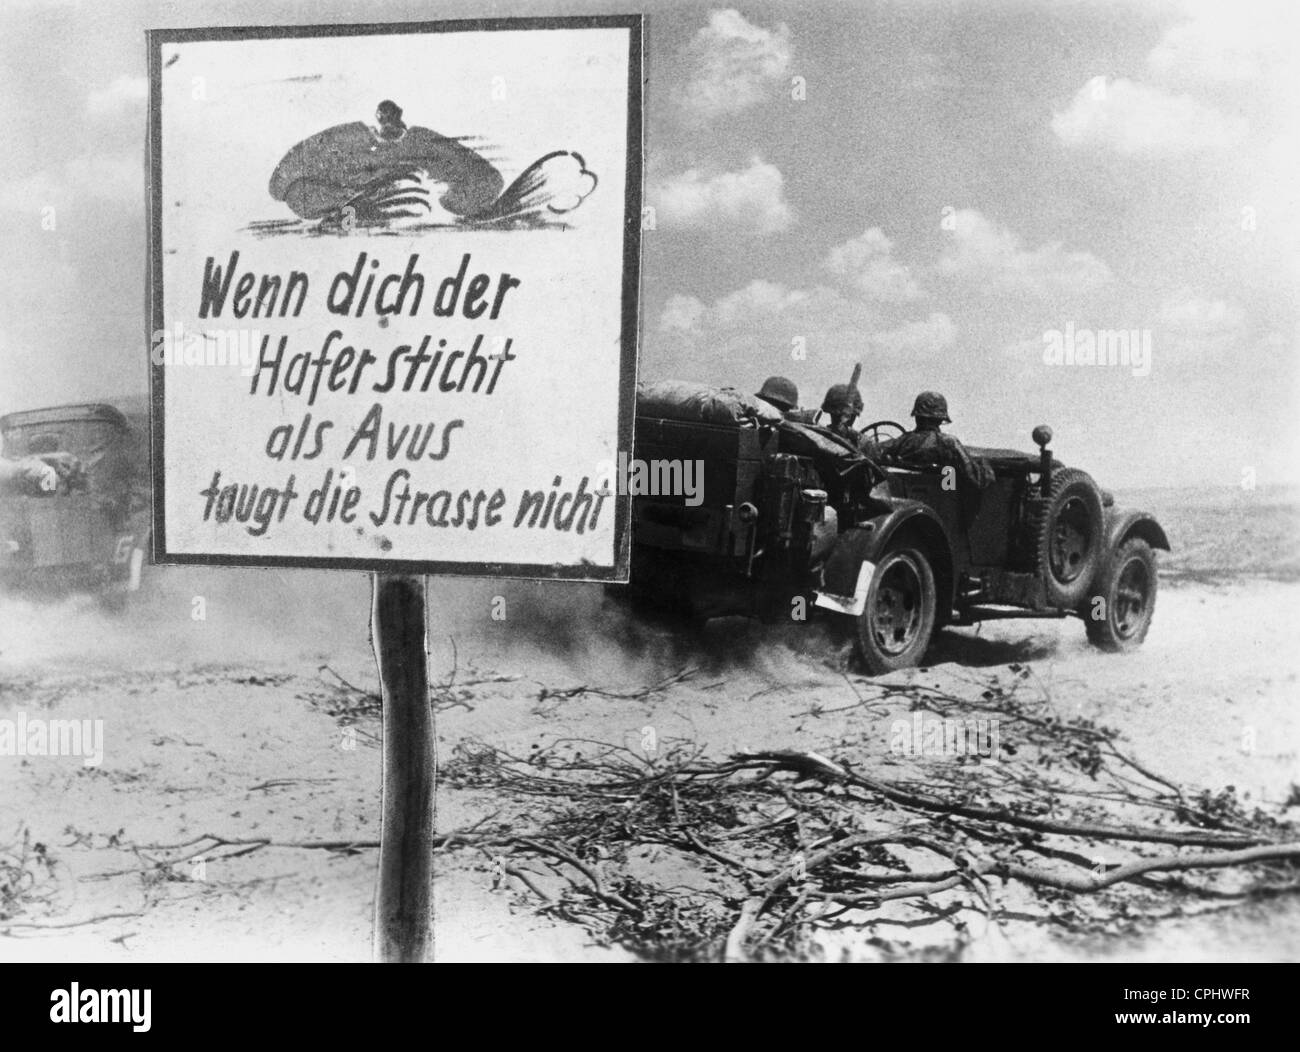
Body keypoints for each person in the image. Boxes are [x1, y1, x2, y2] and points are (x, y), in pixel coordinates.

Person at [878, 391, 994, 490]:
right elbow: (977, 479)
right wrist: (985, 464)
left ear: (917, 416)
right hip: (943, 497)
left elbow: (880, 453)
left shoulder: (901, 441)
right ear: (940, 418)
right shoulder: (948, 442)